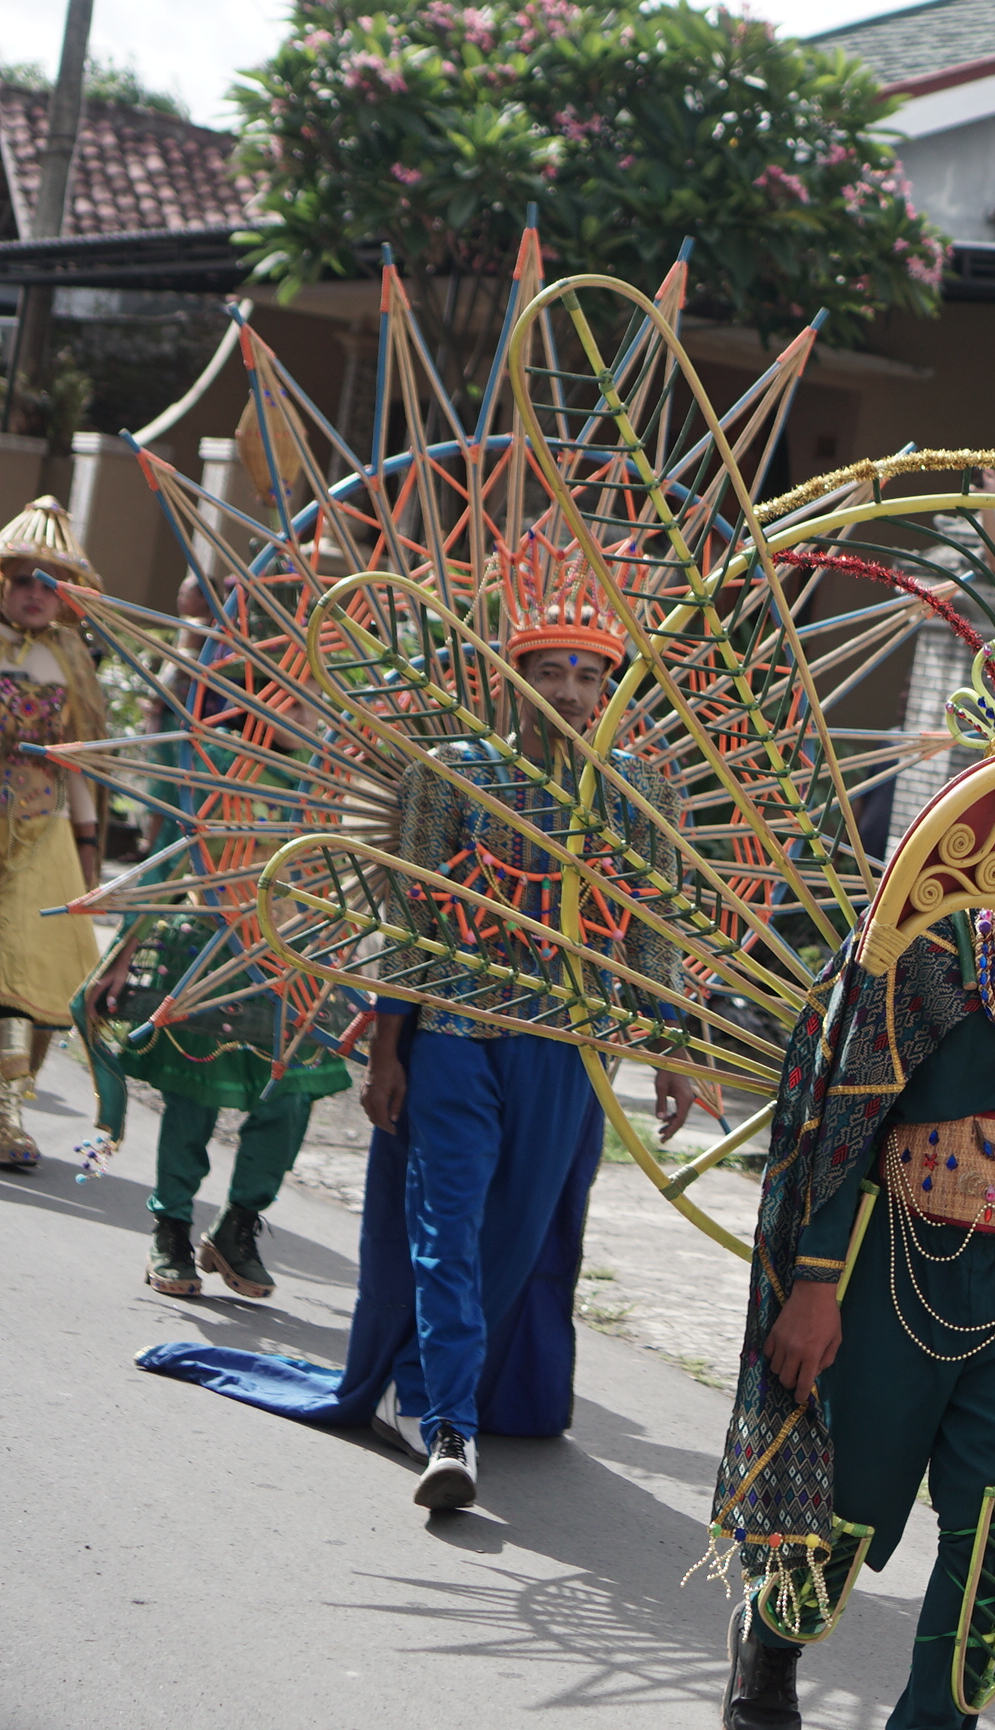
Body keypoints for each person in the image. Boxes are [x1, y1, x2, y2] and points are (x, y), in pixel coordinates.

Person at [137, 533, 715, 1516]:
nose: (573, 690)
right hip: (452, 1040)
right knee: (444, 1229)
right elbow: (406, 916)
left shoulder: (640, 790)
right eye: (552, 671)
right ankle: (444, 1419)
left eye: (590, 673)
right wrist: (387, 1044)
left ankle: (447, 1390)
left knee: (513, 1241)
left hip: (566, 1052)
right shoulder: (446, 775)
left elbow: (651, 931)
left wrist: (670, 1047)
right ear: (514, 679)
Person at [710, 911, 995, 1730]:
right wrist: (815, 1281)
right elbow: (844, 1118)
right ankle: (769, 1641)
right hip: (892, 1266)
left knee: (992, 1529)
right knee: (844, 1502)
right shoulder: (927, 940)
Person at [85, 688, 355, 1298]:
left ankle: (237, 1226)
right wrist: (122, 954)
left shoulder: (339, 785)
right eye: (287, 706)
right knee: (193, 1095)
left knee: (290, 1100)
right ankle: (171, 1226)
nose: (304, 720)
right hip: (212, 957)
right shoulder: (222, 773)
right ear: (252, 709)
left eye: (312, 709)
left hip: (299, 965)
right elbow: (168, 865)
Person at [0, 497, 107, 1172]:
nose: (35, 593)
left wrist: (91, 851)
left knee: (20, 973)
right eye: (23, 579)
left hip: (41, 835)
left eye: (50, 583)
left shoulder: (69, 664)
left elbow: (78, 764)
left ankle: (8, 1112)